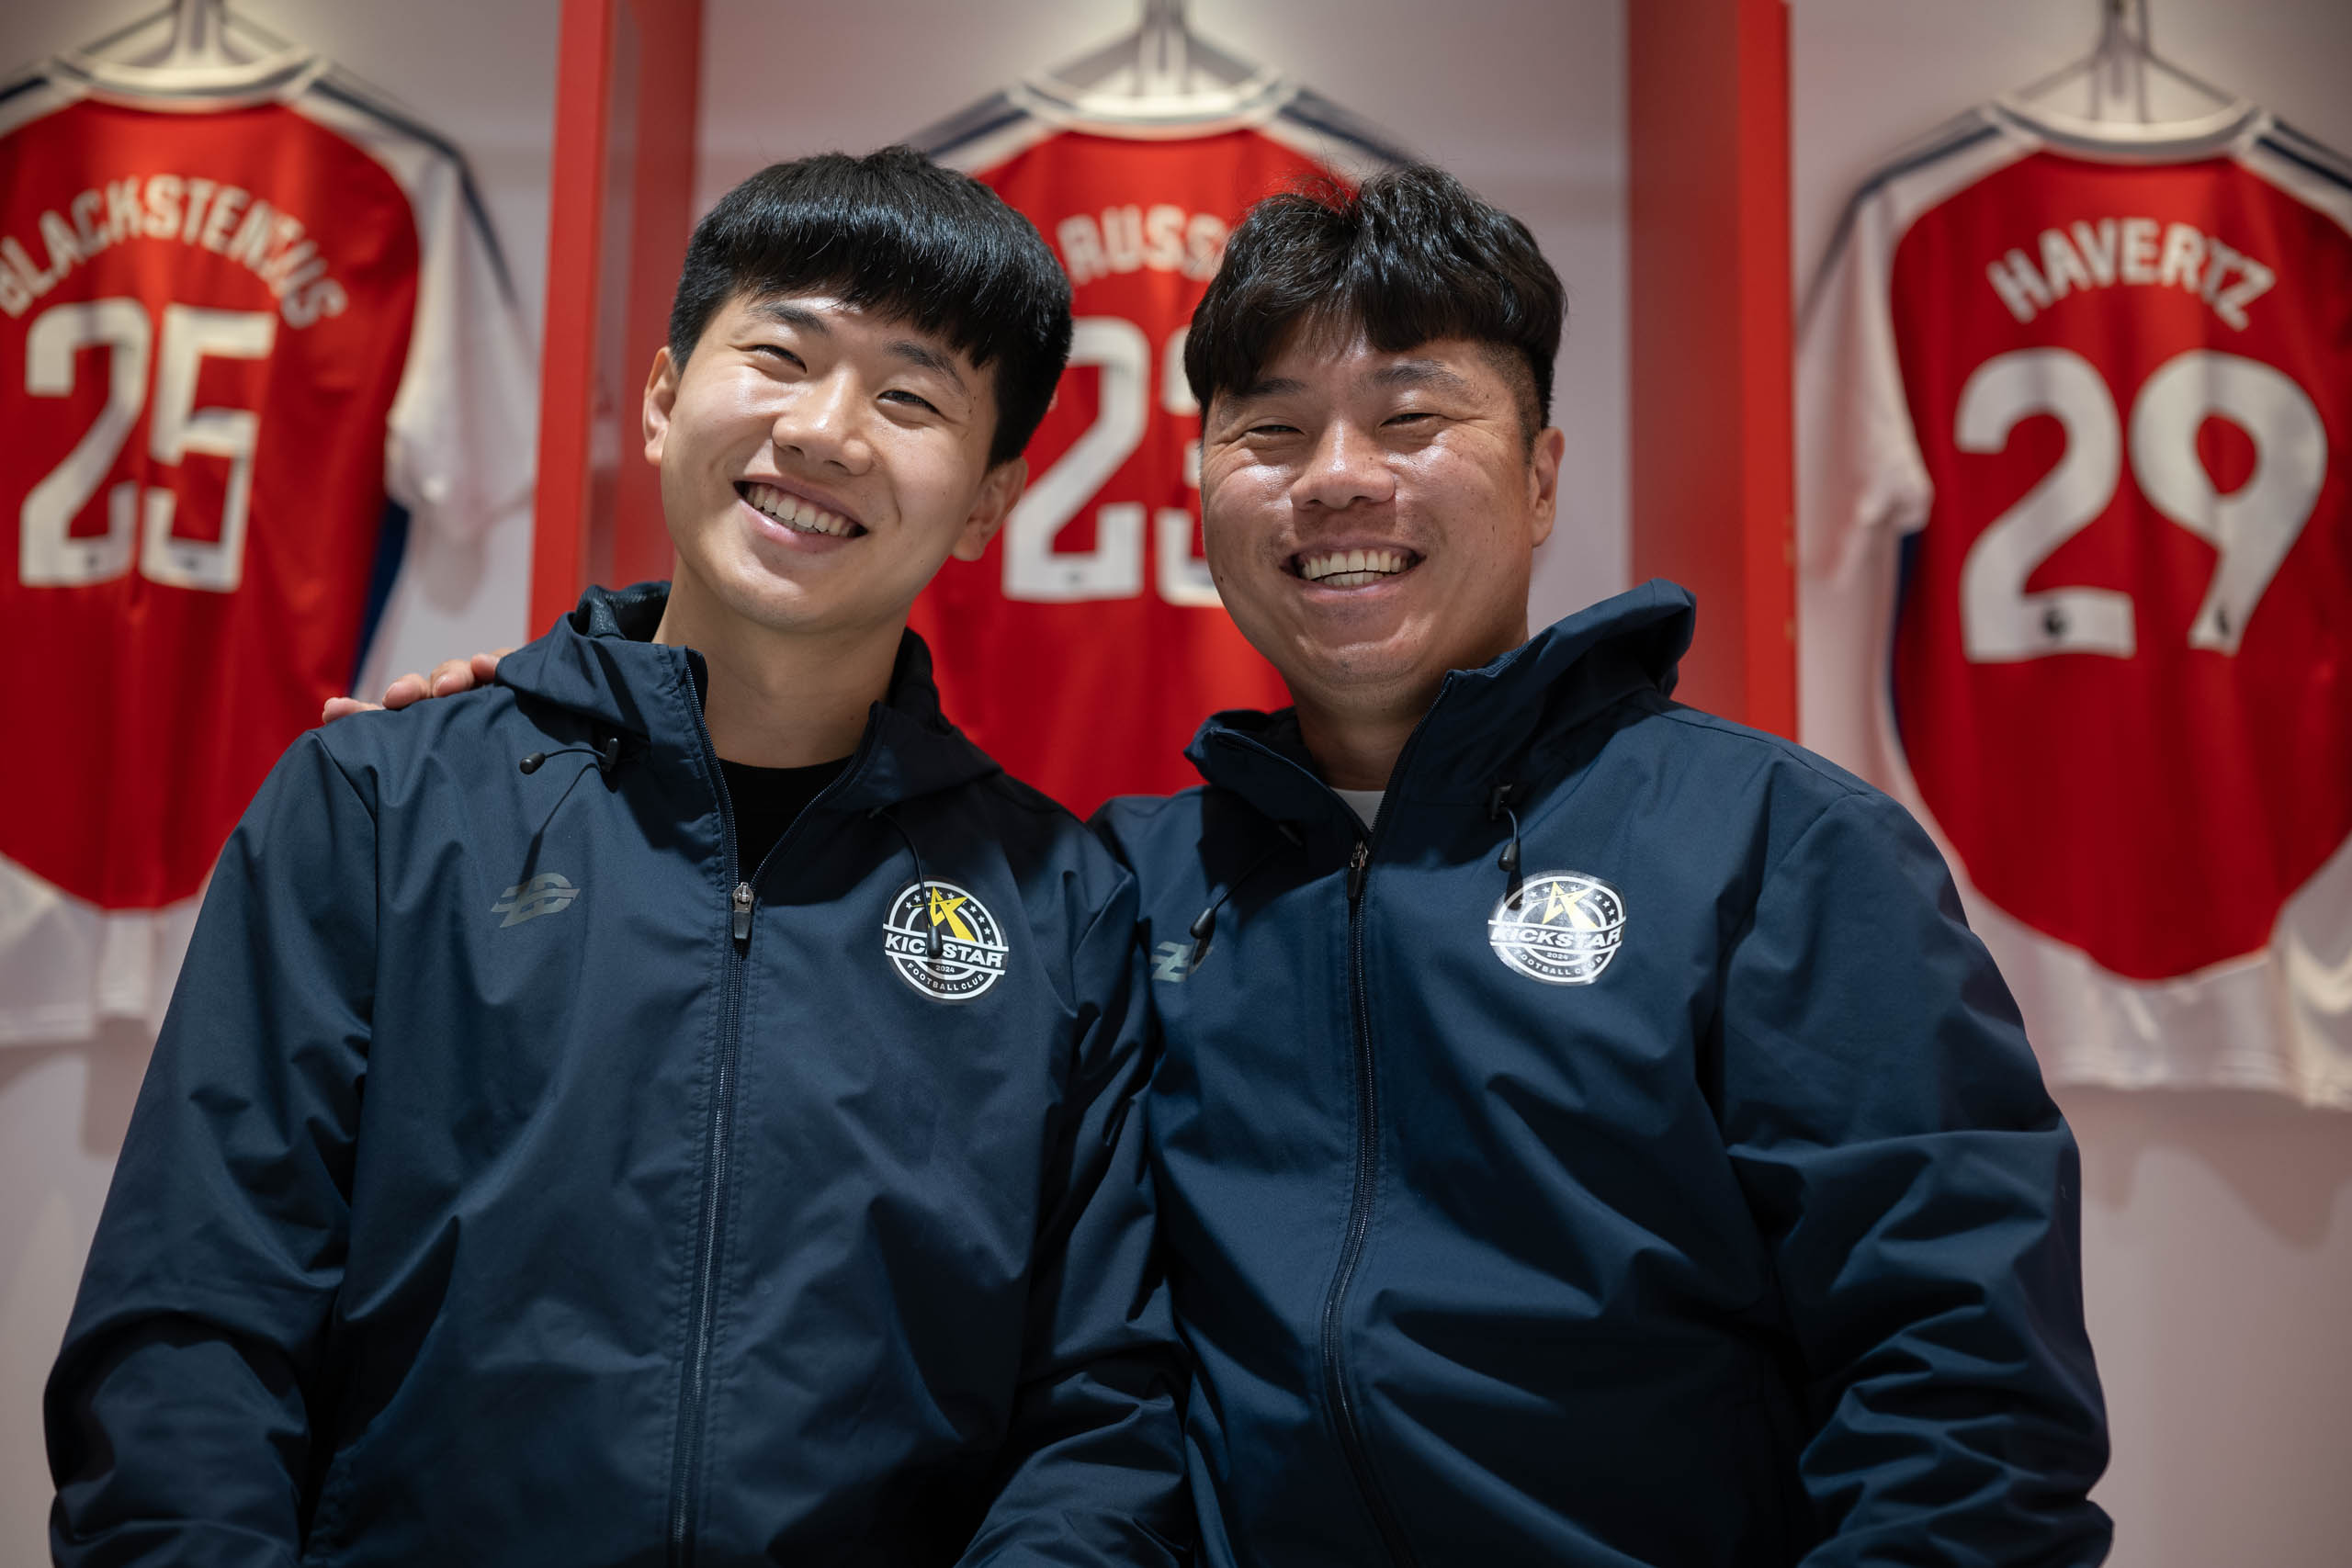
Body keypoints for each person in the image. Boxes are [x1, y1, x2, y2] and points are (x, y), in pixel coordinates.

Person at [337, 165, 2114, 1565]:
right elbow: (1092, 1377)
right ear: (1196, 488)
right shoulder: (1119, 891)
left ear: (1547, 471)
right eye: (1269, 432)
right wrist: (537, 717)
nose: (1336, 480)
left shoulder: (1779, 848)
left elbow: (1970, 1406)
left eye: (1414, 420)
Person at [47, 148, 1188, 1568]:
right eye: (781, 354)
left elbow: (1101, 1416)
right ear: (660, 401)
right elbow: (191, 1332)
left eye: (909, 397)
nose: (826, 431)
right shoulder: (381, 807)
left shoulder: (1059, 906)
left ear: (986, 502)